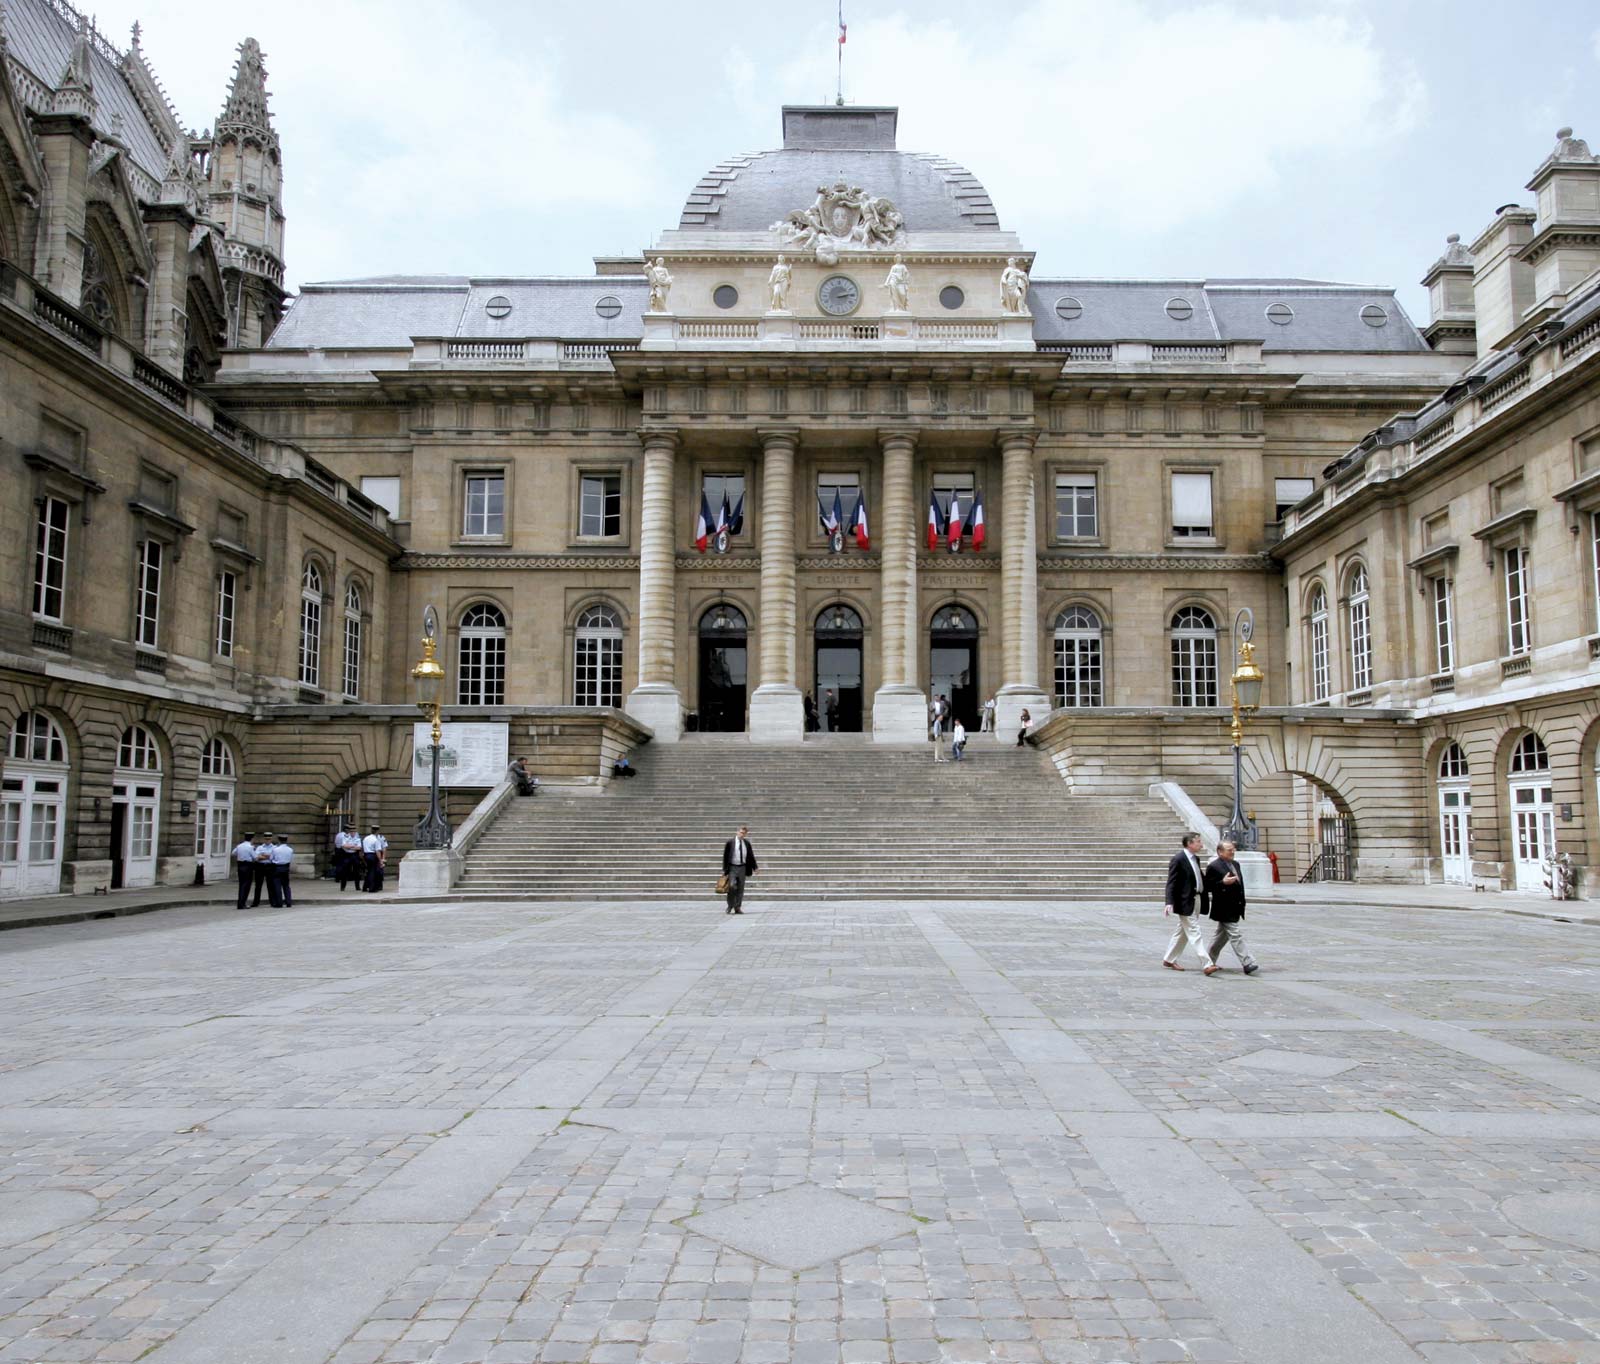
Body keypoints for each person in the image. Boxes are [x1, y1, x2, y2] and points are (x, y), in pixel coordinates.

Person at [1204, 839, 1259, 975]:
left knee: (1220, 937)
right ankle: (1247, 962)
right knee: (1235, 935)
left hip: (1236, 906)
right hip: (1223, 907)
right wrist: (1222, 882)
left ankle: (1208, 962)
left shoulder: (1236, 864)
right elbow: (1208, 887)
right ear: (1220, 852)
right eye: (1229, 850)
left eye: (1233, 849)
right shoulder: (1214, 866)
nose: (1233, 851)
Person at [1162, 832, 1213, 972]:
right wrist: (1169, 902)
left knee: (1182, 931)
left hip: (1196, 899)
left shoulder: (1195, 859)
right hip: (1185, 901)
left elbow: (1201, 878)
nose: (1201, 844)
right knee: (1194, 931)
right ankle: (1207, 963)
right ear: (1190, 843)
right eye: (1198, 841)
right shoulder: (1178, 859)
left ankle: (1169, 959)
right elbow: (1171, 882)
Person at [722, 825, 757, 914]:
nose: (742, 835)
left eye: (744, 833)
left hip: (743, 867)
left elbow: (750, 856)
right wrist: (724, 870)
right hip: (732, 867)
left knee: (740, 888)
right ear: (737, 832)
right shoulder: (730, 842)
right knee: (732, 886)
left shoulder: (746, 843)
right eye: (741, 832)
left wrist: (755, 867)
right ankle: (730, 905)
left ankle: (737, 907)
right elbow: (725, 856)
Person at [233, 832, 259, 910]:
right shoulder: (250, 847)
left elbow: (233, 853)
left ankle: (240, 903)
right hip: (248, 866)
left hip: (240, 865)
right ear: (252, 839)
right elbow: (255, 857)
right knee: (246, 885)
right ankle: (242, 903)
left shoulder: (239, 846)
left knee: (241, 885)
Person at [334, 824, 363, 891]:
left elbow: (359, 847)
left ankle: (357, 887)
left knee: (357, 872)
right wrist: (353, 847)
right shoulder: (345, 837)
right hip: (346, 855)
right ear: (349, 831)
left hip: (355, 855)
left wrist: (350, 846)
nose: (353, 832)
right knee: (345, 871)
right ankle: (342, 887)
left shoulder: (357, 838)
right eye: (351, 831)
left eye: (354, 831)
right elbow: (344, 846)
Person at [269, 834, 294, 908]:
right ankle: (288, 902)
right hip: (286, 867)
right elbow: (291, 859)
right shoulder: (290, 849)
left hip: (277, 867)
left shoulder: (275, 849)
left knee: (277, 886)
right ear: (286, 840)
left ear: (279, 840)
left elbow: (271, 859)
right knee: (286, 885)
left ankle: (279, 903)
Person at [362, 823, 388, 893]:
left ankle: (365, 887)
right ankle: (372, 888)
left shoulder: (366, 838)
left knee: (369, 871)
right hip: (373, 855)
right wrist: (380, 860)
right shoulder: (376, 840)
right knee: (373, 872)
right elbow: (378, 851)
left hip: (366, 855)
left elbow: (363, 848)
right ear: (377, 831)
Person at [251, 832, 275, 906]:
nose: (267, 840)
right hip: (260, 867)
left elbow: (274, 857)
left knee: (270, 885)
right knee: (258, 885)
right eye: (266, 839)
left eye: (269, 839)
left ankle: (272, 901)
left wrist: (263, 855)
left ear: (271, 839)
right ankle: (256, 902)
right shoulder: (260, 847)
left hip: (270, 866)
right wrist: (268, 856)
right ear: (264, 839)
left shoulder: (274, 847)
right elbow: (256, 857)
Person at [930, 694, 947, 763]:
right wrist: (933, 709)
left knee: (940, 726)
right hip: (934, 715)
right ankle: (935, 735)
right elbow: (930, 709)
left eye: (937, 697)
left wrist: (943, 714)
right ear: (934, 698)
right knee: (935, 726)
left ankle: (940, 734)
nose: (936, 698)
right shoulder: (932, 703)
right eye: (935, 697)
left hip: (940, 714)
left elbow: (946, 708)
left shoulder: (942, 702)